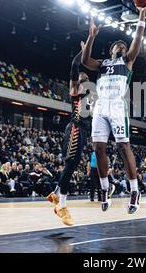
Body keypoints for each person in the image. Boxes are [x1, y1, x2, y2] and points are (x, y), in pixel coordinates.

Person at [81, 0, 146, 214]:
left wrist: (142, 15)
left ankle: (134, 190)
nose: (121, 47)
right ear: (111, 49)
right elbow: (85, 61)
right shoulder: (103, 64)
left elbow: (137, 40)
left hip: (118, 107)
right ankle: (105, 188)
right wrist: (91, 36)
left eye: (123, 45)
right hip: (101, 107)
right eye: (117, 45)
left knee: (123, 147)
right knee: (98, 148)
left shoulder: (127, 61)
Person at [46, 42, 92, 226]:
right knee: (71, 162)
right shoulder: (75, 90)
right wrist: (85, 49)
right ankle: (62, 206)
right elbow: (74, 65)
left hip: (83, 131)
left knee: (73, 164)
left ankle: (56, 194)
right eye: (83, 76)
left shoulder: (89, 96)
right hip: (74, 127)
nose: (86, 77)